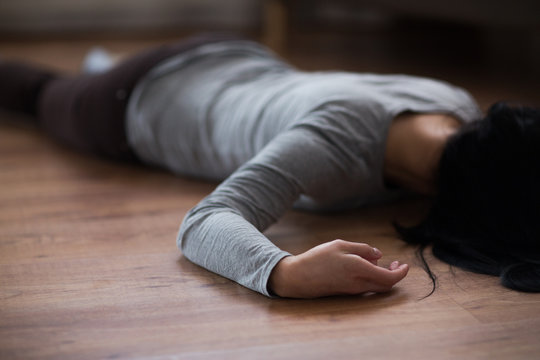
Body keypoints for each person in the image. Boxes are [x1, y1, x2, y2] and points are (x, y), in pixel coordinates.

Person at [1, 34, 538, 298]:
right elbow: (204, 222)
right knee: (37, 94)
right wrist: (284, 271)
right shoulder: (329, 143)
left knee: (82, 81)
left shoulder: (456, 103)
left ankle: (96, 69)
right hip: (129, 106)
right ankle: (86, 83)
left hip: (233, 58)